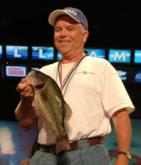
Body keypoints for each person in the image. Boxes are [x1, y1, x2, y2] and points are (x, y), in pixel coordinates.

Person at [15, 7, 135, 165]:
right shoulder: (44, 72)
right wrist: (25, 99)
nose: (63, 34)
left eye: (70, 29)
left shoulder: (101, 67)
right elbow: (26, 123)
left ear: (84, 35)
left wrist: (123, 155)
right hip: (45, 154)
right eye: (58, 29)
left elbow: (120, 114)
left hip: (87, 153)